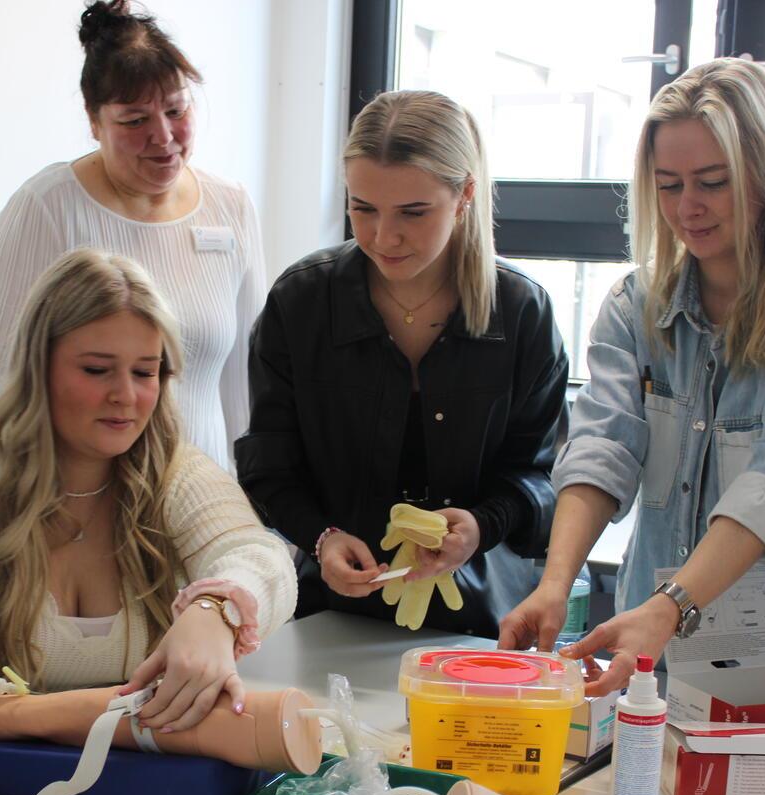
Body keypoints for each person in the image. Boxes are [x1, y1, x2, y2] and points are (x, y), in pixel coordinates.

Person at [500, 58, 765, 704]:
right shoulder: (635, 307)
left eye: (713, 182)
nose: (688, 207)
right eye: (668, 185)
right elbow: (602, 448)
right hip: (664, 658)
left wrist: (669, 607)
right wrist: (554, 583)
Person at [0, 248, 296, 735]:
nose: (125, 396)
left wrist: (215, 611)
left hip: (140, 771)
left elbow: (264, 560)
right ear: (38, 367)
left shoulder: (178, 476)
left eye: (144, 372)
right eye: (96, 370)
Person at [236, 90, 569, 637]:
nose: (382, 237)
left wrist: (482, 525)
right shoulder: (301, 303)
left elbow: (541, 475)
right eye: (362, 208)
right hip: (328, 613)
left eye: (413, 213)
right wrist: (321, 538)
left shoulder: (521, 311)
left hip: (479, 623)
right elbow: (268, 467)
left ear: (464, 195)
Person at [0, 0, 264, 472]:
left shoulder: (231, 206)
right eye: (135, 120)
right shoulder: (47, 209)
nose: (163, 136)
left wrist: (248, 498)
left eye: (176, 110)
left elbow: (246, 385)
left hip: (201, 493)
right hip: (78, 498)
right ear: (94, 121)